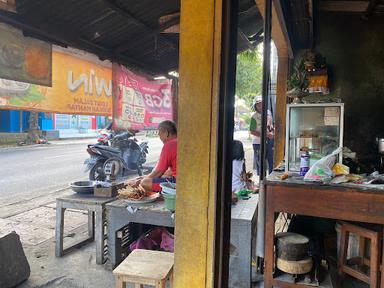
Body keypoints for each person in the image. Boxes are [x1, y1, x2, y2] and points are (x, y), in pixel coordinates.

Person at [128, 120, 177, 192]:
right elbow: (168, 172)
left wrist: (141, 181)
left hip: (179, 184)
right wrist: (142, 177)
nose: (160, 138)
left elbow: (159, 172)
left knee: (145, 183)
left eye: (160, 134)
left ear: (166, 133)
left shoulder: (169, 145)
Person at [249, 96, 274, 175]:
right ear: (255, 106)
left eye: (262, 104)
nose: (260, 106)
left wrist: (272, 134)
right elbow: (252, 131)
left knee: (271, 162)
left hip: (269, 142)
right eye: (258, 105)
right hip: (258, 143)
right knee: (261, 164)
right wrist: (264, 135)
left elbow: (271, 127)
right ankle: (262, 182)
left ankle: (270, 180)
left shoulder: (268, 113)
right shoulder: (253, 117)